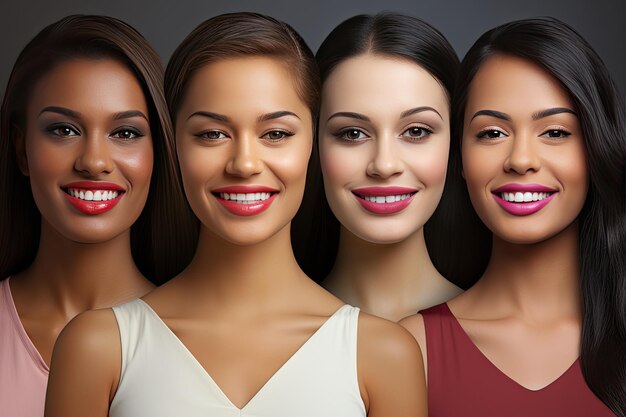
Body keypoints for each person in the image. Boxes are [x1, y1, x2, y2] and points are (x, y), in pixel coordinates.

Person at [45, 12, 426, 417]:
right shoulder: (97, 347)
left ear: (314, 145)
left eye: (275, 134)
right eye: (212, 134)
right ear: (173, 146)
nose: (244, 164)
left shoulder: (383, 355)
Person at [401, 17, 626, 417]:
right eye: (492, 133)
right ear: (460, 159)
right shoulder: (410, 350)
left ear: (595, 147)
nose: (521, 160)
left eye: (555, 132)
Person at [0, 14, 194, 417]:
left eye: (125, 133)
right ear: (22, 150)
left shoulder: (203, 341)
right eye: (63, 130)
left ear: (158, 151)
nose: (94, 161)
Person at [293, 13, 463, 321]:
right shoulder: (276, 336)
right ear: (313, 144)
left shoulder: (500, 336)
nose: (384, 165)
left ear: (456, 142)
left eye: (416, 131)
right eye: (352, 133)